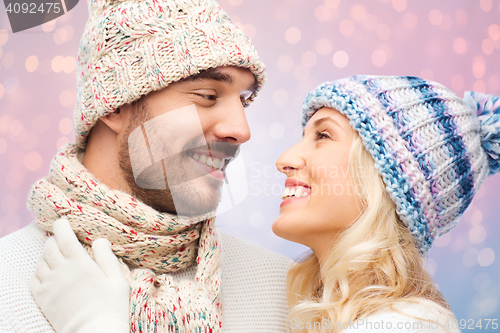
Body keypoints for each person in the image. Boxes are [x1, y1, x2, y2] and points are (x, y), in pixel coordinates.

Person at [0, 0, 292, 332]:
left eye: (243, 101)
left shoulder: (287, 293)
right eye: (208, 96)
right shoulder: (6, 288)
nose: (241, 131)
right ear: (116, 106)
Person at [274, 75, 499, 332]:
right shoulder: (307, 308)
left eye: (323, 135)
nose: (284, 159)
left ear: (386, 180)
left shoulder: (405, 326)